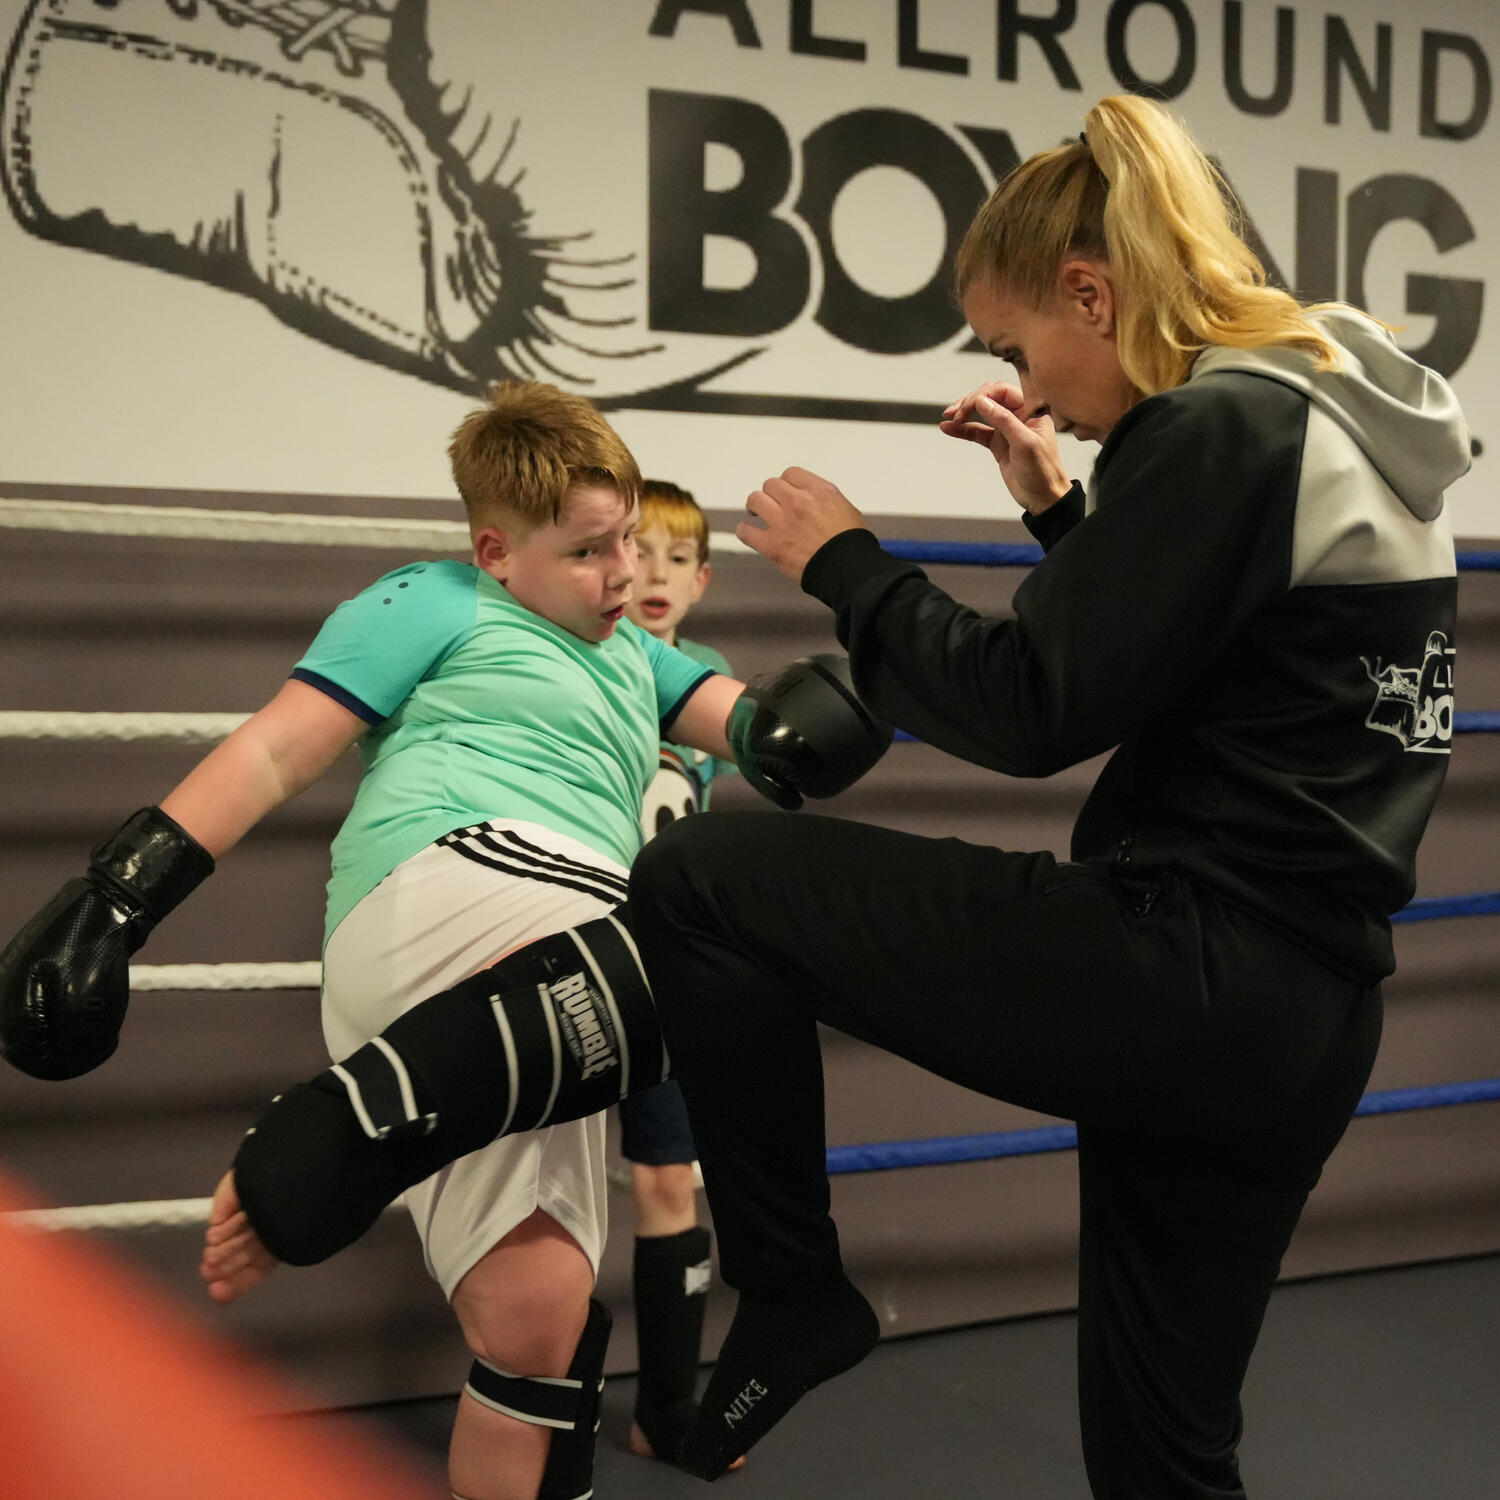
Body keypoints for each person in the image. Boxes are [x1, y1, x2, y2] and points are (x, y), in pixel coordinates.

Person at [621, 95, 1469, 1493]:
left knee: (703, 882)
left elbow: (1033, 711)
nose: (1035, 385)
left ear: (1093, 290)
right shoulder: (1334, 415)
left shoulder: (1217, 426)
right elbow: (1216, 667)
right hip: (1308, 1017)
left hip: (1182, 964)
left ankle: (791, 1289)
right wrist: (1061, 514)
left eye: (1022, 348)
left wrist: (848, 564)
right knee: (1161, 1457)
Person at [0, 379, 886, 1500]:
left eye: (626, 545)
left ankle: (358, 1137)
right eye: (587, 552)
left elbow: (750, 727)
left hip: (551, 987)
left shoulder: (636, 653)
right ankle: (332, 1141)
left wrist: (817, 720)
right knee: (723, 944)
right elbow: (278, 752)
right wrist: (115, 900)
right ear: (495, 549)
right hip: (456, 884)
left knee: (535, 1321)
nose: (623, 576)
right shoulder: (439, 602)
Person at [612, 478, 741, 1467]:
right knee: (542, 1191)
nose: (655, 572)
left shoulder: (706, 677)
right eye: (637, 550)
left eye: (676, 557)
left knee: (669, 1181)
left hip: (661, 970)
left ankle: (666, 1410)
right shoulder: (578, 660)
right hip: (554, 952)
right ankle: (539, 1405)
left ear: (701, 580)